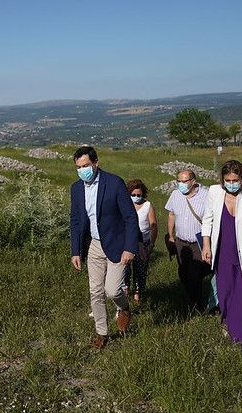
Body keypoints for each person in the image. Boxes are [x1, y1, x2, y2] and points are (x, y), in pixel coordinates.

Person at [70, 146, 139, 349]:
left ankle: (124, 307)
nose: (82, 170)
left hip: (117, 243)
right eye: (78, 167)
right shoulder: (76, 188)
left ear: (96, 163)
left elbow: (130, 217)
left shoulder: (114, 183)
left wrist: (130, 247)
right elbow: (75, 220)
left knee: (112, 290)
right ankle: (102, 334)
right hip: (93, 244)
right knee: (95, 291)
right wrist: (75, 251)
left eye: (85, 166)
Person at [201, 160, 242, 346]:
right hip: (222, 253)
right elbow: (207, 220)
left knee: (239, 295)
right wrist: (206, 245)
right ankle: (227, 320)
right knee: (224, 295)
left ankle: (238, 340)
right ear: (222, 179)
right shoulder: (214, 192)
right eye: (228, 180)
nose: (231, 183)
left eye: (235, 180)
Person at [165, 170, 212, 312]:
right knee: (183, 273)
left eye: (184, 181)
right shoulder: (175, 194)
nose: (181, 184)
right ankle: (192, 299)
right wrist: (170, 235)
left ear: (193, 181)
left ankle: (197, 305)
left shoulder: (206, 195)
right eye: (178, 181)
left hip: (198, 242)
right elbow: (171, 214)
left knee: (194, 274)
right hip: (181, 242)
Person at [124, 179, 158, 304]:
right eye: (133, 195)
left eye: (139, 195)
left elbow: (153, 225)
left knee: (140, 270)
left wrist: (151, 245)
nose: (136, 197)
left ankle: (138, 294)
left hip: (143, 243)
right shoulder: (125, 205)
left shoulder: (147, 205)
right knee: (125, 269)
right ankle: (125, 290)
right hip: (127, 242)